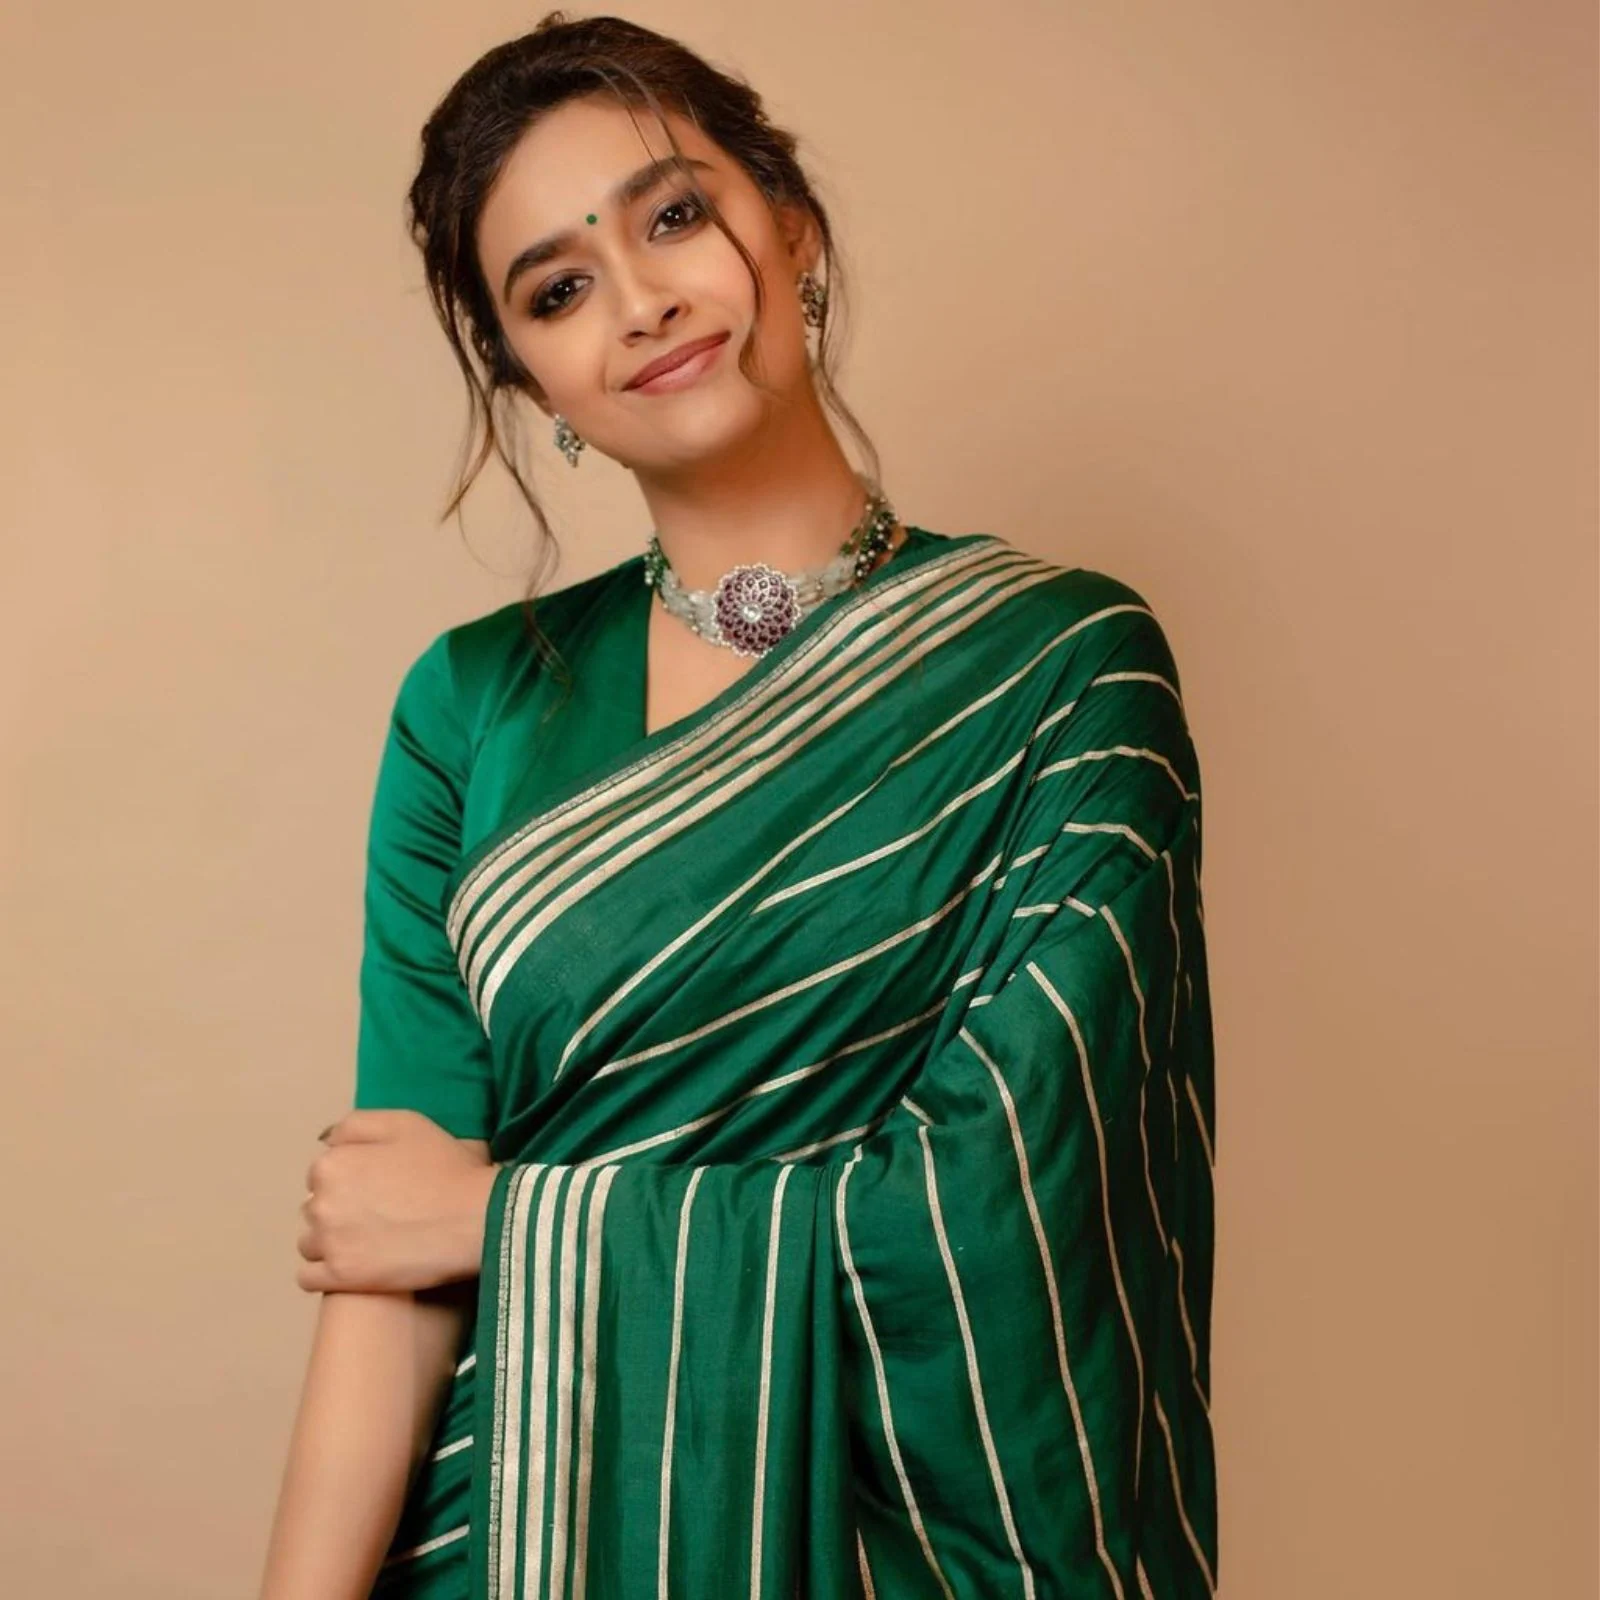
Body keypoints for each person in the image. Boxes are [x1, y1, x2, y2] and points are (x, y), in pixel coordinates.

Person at [258, 12, 1218, 1598]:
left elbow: (1017, 1204)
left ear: (795, 228)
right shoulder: (473, 704)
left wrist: (508, 1224)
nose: (638, 302)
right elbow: (386, 1251)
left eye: (674, 217)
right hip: (503, 1540)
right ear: (531, 380)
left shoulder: (1059, 666)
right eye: (557, 291)